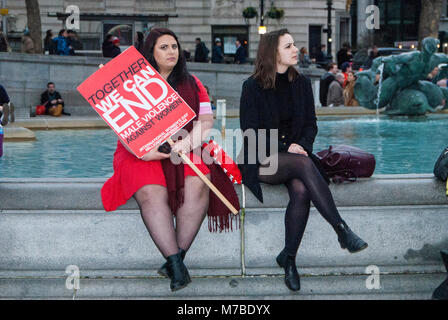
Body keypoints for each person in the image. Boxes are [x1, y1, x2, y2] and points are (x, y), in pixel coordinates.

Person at [101, 28, 240, 292]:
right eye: (163, 47)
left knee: (200, 179)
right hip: (140, 151)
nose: (171, 52)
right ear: (151, 52)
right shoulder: (133, 82)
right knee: (151, 191)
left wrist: (187, 144)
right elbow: (123, 124)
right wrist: (145, 151)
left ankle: (176, 261)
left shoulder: (193, 83)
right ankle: (177, 266)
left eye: (174, 46)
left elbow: (206, 121)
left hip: (183, 146)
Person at [238, 28, 367, 292]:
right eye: (288, 46)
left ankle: (289, 259)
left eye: (294, 44)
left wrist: (301, 144)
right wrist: (289, 146)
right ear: (272, 52)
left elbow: (311, 124)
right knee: (304, 164)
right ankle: (341, 229)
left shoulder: (302, 83)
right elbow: (250, 131)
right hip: (262, 157)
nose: (295, 49)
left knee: (301, 189)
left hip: (296, 157)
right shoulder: (251, 87)